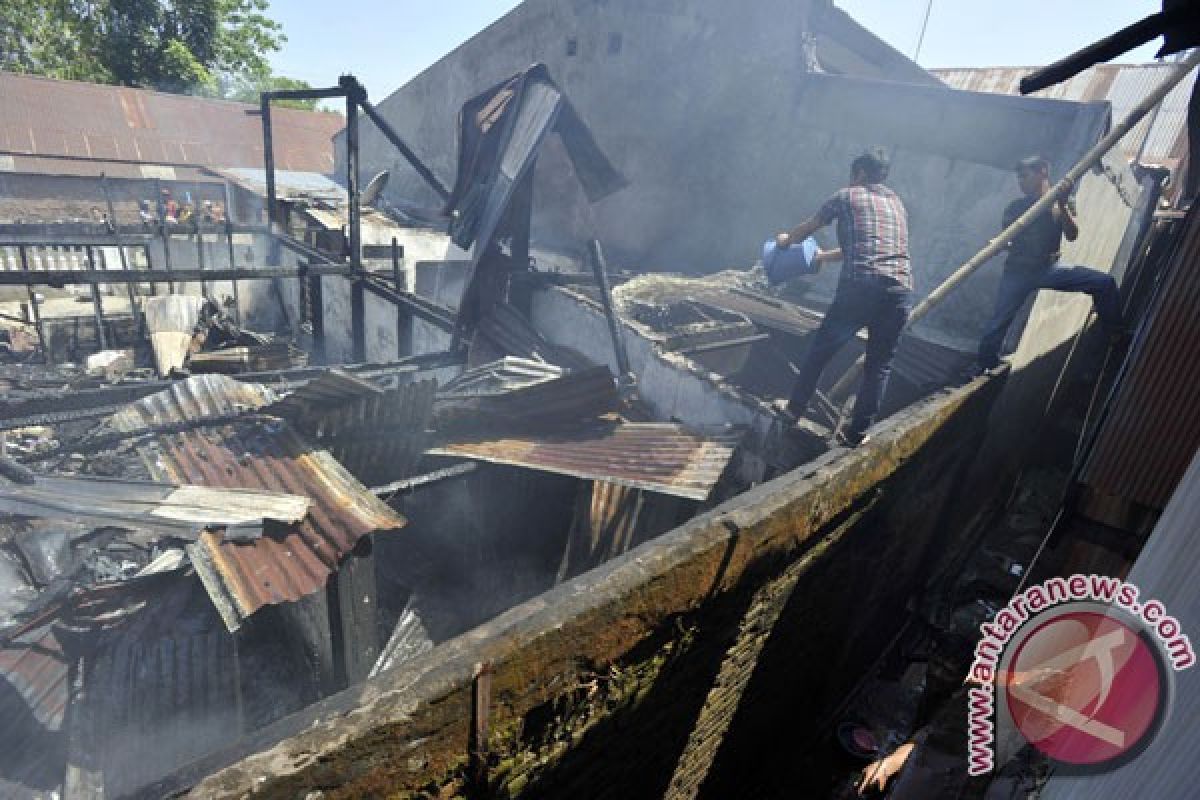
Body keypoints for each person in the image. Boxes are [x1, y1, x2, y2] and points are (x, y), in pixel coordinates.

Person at [775, 148, 914, 447]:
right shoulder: (896, 203)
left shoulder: (846, 196)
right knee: (879, 365)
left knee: (820, 350)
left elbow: (808, 227)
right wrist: (823, 256)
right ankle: (857, 434)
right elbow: (867, 246)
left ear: (860, 173)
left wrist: (785, 240)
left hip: (861, 288)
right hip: (899, 292)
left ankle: (793, 411)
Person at [976, 155, 1123, 371]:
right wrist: (999, 244)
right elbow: (1009, 240)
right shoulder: (1015, 207)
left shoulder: (1062, 201)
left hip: (1048, 269)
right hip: (1018, 271)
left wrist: (1062, 205)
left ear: (1043, 172)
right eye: (1019, 178)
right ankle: (985, 366)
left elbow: (1072, 235)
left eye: (1025, 176)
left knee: (1104, 283)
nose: (1021, 182)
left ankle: (1113, 335)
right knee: (998, 322)